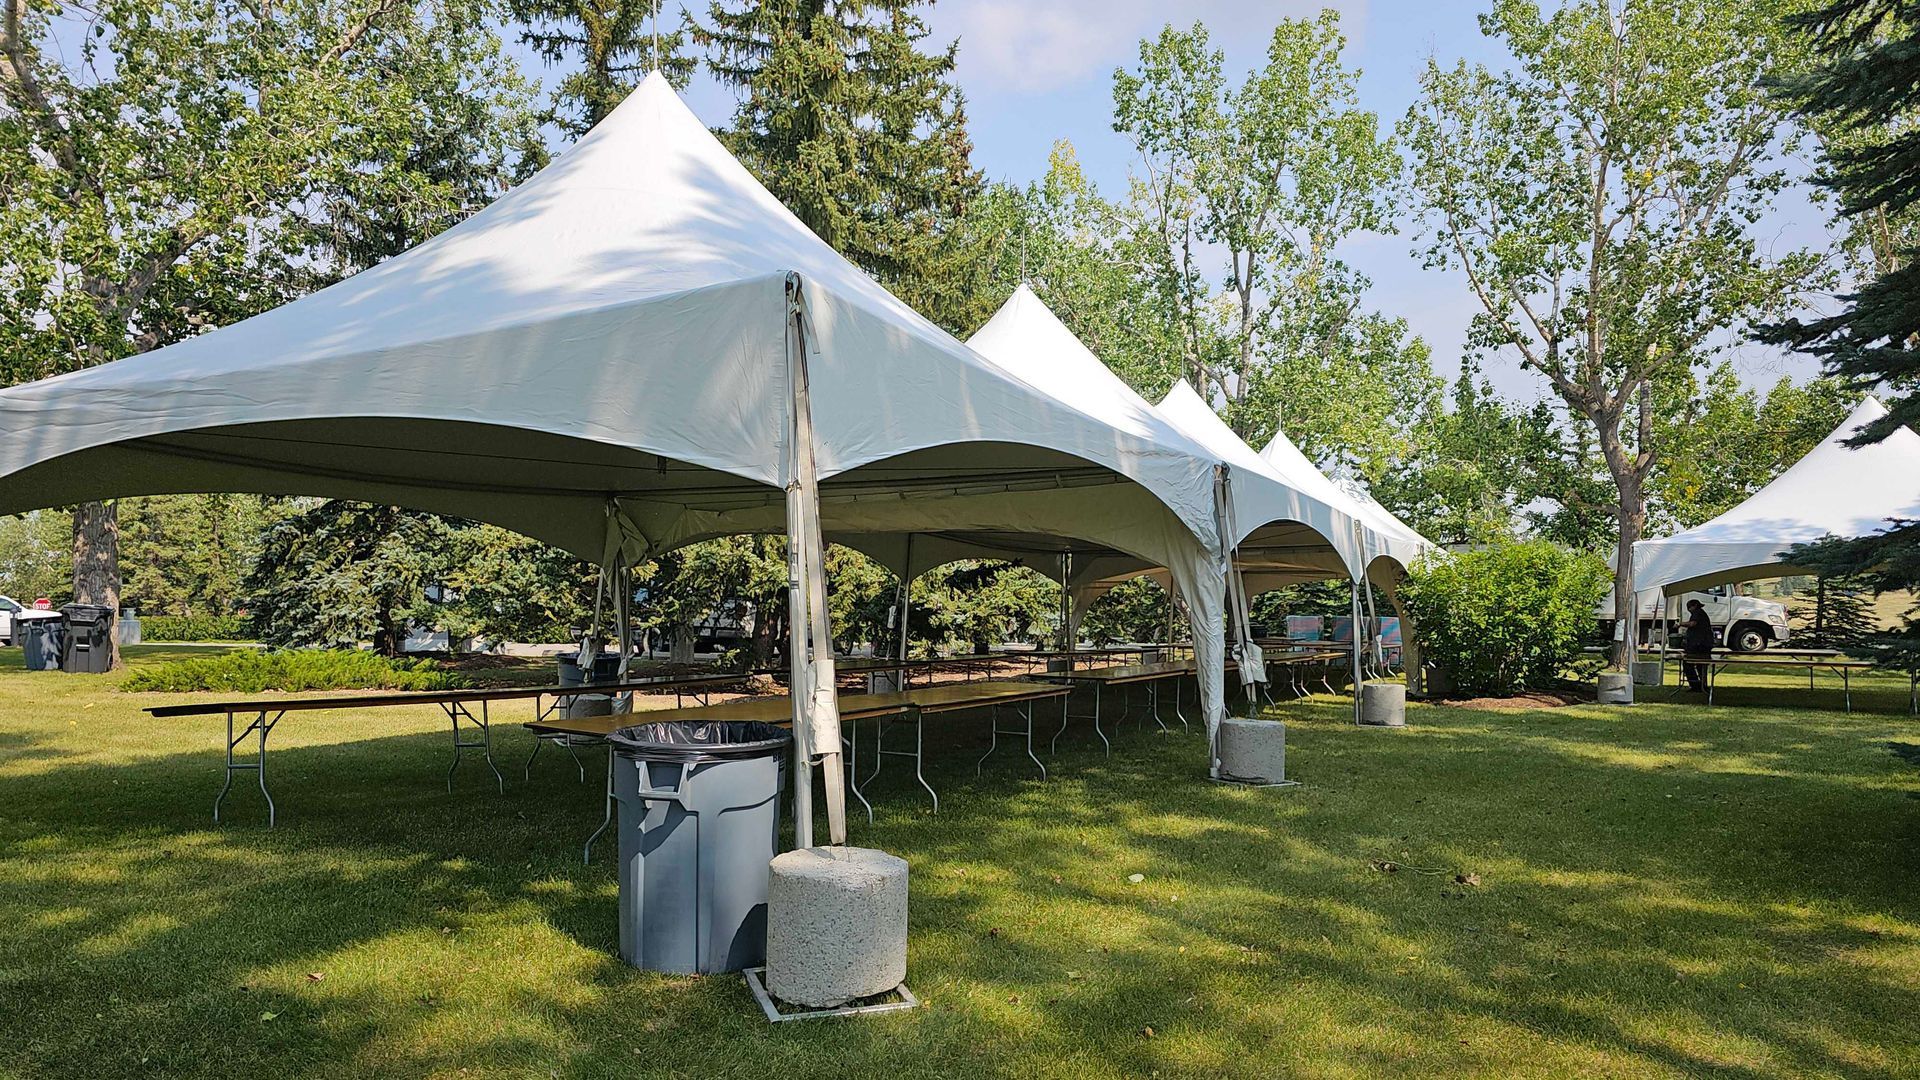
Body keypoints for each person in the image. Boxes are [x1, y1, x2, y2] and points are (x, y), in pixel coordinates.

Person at [1681, 598, 1714, 692]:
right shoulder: (1700, 613)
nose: (1688, 610)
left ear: (1694, 606)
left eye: (1689, 607)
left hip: (1699, 644)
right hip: (1704, 643)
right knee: (1701, 666)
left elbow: (1692, 624)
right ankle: (1702, 685)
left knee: (1688, 663)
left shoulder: (1697, 613)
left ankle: (1696, 685)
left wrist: (1681, 624)